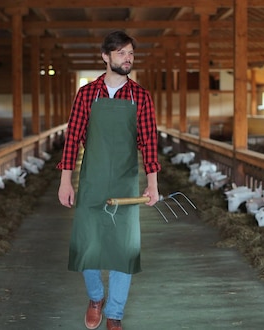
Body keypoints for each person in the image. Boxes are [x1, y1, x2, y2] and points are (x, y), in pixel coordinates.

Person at [57, 30, 161, 330]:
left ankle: (114, 314)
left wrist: (153, 184)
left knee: (123, 249)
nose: (127, 58)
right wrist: (66, 182)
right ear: (105, 57)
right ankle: (95, 297)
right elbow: (72, 138)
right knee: (86, 243)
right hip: (92, 180)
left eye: (130, 53)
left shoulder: (140, 96)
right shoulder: (87, 94)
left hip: (126, 182)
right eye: (121, 53)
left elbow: (148, 142)